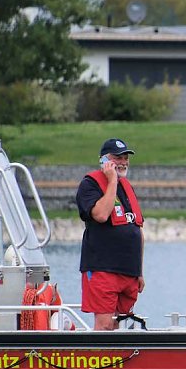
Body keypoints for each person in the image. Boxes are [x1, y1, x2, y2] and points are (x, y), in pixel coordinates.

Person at [76, 138, 145, 331]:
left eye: (125, 158)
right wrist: (112, 179)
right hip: (103, 268)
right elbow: (100, 214)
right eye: (117, 157)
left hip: (129, 272)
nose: (123, 162)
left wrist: (139, 271)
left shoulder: (127, 187)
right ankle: (99, 359)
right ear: (104, 160)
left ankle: (121, 360)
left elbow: (137, 229)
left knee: (121, 325)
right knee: (104, 325)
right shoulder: (90, 184)